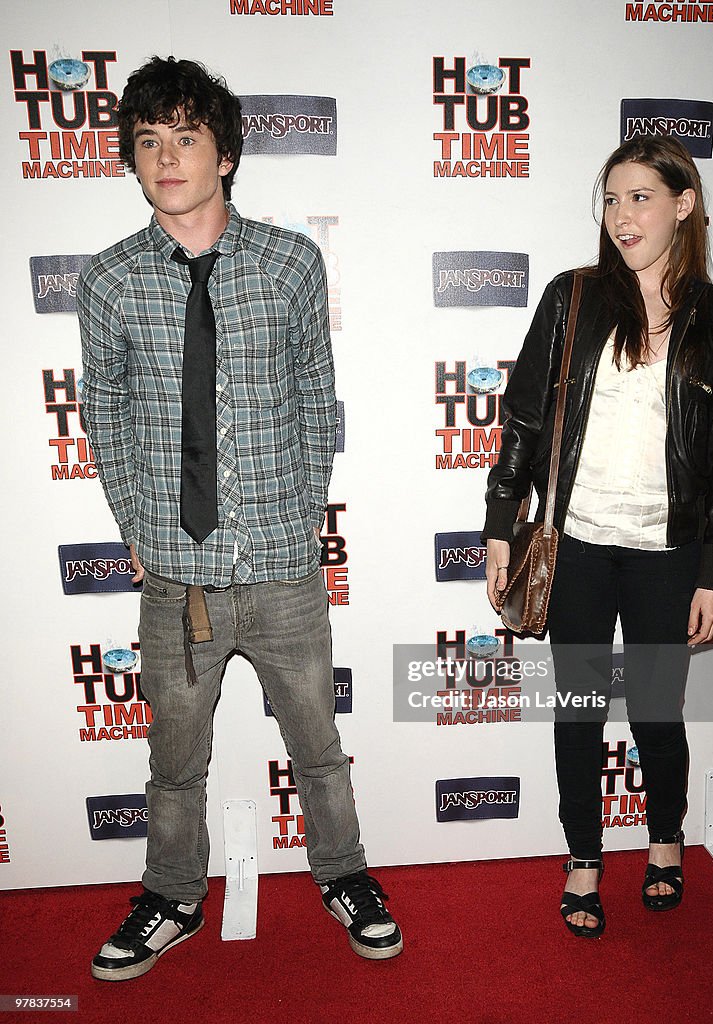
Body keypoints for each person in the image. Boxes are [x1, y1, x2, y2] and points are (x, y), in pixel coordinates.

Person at [78, 56, 402, 980]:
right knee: (174, 760)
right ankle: (172, 896)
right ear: (133, 161)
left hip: (283, 570)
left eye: (186, 137)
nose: (167, 157)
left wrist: (298, 517)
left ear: (225, 154)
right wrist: (141, 529)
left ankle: (344, 875)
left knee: (319, 748)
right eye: (148, 141)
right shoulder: (107, 282)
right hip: (174, 577)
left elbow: (316, 399)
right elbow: (106, 413)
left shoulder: (290, 263)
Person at [482, 136, 713, 937]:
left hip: (667, 555)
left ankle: (665, 840)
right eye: (610, 198)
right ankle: (582, 857)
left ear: (683, 204)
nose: (621, 215)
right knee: (575, 710)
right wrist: (501, 524)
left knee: (654, 714)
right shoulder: (571, 299)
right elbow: (523, 422)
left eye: (640, 197)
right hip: (575, 548)